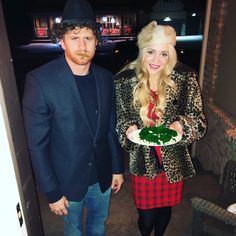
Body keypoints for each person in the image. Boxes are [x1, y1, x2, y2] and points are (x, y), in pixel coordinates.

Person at [22, 0, 124, 235]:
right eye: (74, 37)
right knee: (74, 229)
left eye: (88, 38)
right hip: (67, 181)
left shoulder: (106, 77)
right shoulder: (40, 81)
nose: (82, 45)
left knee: (99, 224)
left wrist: (117, 168)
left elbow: (111, 127)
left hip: (102, 176)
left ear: (96, 42)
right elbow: (37, 145)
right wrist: (52, 192)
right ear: (61, 41)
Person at [114, 21, 207, 236]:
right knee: (146, 217)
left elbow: (200, 122)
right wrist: (129, 128)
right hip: (144, 161)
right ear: (142, 52)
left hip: (172, 159)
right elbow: (120, 119)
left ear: (171, 55)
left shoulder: (185, 78)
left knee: (165, 210)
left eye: (164, 54)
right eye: (151, 52)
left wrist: (182, 125)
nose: (157, 60)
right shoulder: (125, 81)